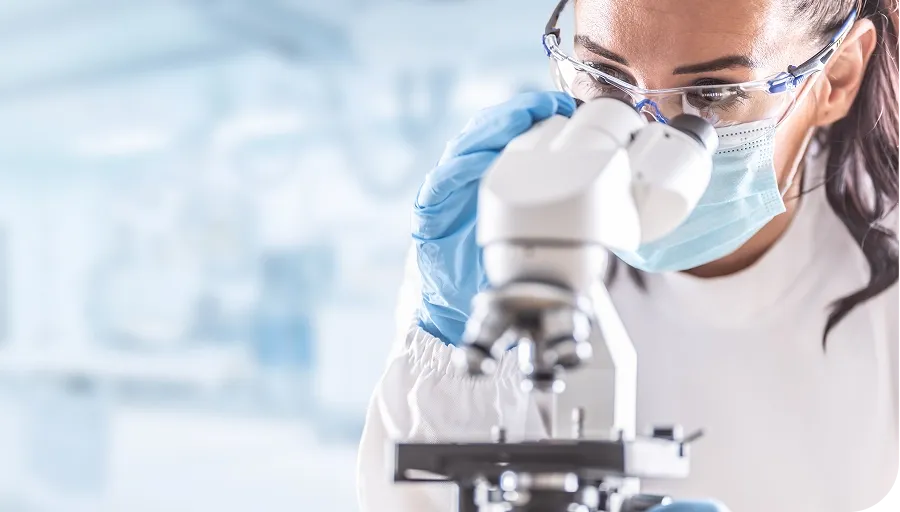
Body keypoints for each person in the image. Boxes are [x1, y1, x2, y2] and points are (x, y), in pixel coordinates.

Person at [357, 0, 900, 510]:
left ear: (838, 76)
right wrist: (448, 350)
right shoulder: (500, 230)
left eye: (709, 95)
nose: (645, 136)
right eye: (604, 80)